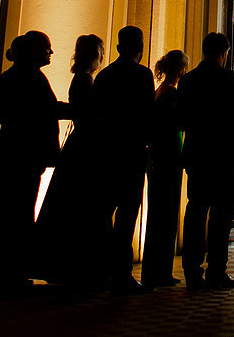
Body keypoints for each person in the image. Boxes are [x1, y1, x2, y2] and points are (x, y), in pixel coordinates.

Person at [0, 31, 66, 291]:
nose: (50, 53)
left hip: (12, 151)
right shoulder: (30, 79)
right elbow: (46, 110)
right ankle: (8, 271)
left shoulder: (10, 78)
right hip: (23, 153)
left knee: (4, 211)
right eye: (46, 48)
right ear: (32, 50)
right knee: (16, 213)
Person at [34, 34, 108, 286]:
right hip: (86, 146)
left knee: (68, 204)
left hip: (79, 144)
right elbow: (87, 113)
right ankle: (79, 265)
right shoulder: (86, 81)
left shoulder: (81, 79)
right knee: (82, 205)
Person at [178, 32, 234, 291]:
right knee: (221, 216)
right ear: (224, 53)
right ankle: (217, 272)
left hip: (197, 155)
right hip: (224, 157)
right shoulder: (231, 79)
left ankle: (192, 272)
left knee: (195, 211)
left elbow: (181, 119)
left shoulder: (187, 81)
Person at [91, 26, 155, 294]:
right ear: (139, 47)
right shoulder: (142, 75)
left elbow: (96, 114)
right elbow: (147, 115)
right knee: (128, 214)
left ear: (118, 48)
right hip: (131, 152)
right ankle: (122, 273)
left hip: (106, 151)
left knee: (104, 213)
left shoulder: (104, 76)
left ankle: (101, 270)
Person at [142, 49, 190, 288]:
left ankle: (156, 269)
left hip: (160, 154)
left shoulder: (160, 90)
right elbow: (177, 123)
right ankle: (159, 271)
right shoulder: (170, 93)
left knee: (159, 213)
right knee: (166, 213)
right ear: (181, 70)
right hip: (168, 155)